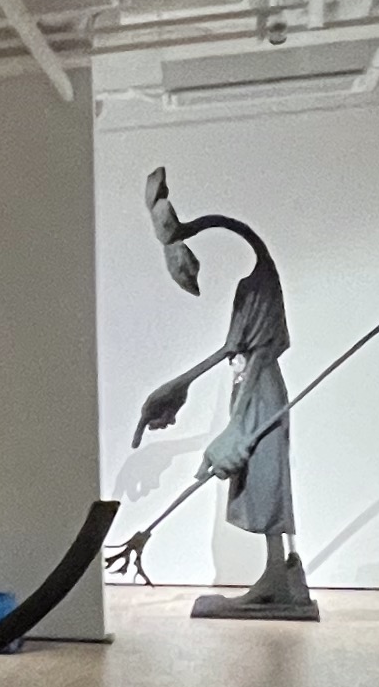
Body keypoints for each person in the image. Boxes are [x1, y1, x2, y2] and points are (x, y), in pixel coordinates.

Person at [131, 169, 317, 620]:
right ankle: (278, 577)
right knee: (262, 483)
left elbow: (261, 350)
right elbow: (235, 347)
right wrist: (178, 386)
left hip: (261, 392)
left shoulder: (259, 281)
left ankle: (279, 582)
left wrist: (237, 427)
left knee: (266, 483)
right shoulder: (252, 284)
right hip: (253, 389)